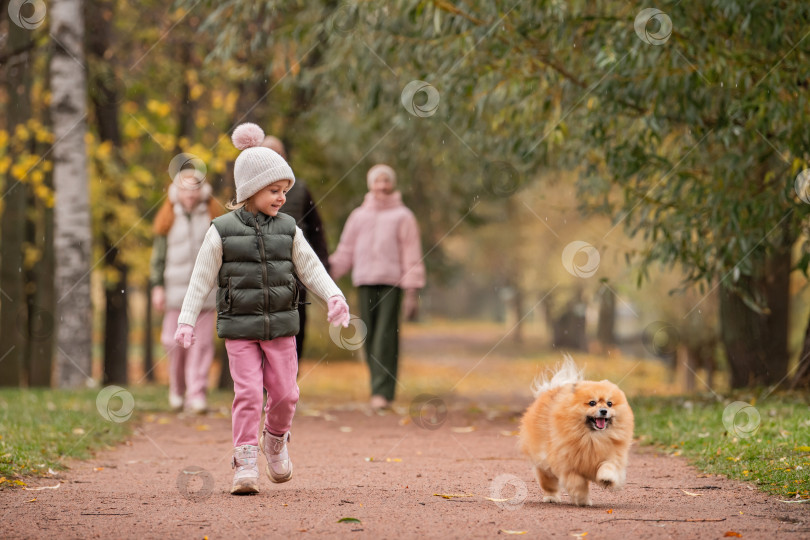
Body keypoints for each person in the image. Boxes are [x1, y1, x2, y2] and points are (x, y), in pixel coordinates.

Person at [173, 122, 351, 495]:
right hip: (240, 328)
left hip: (282, 328)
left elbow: (311, 267)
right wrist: (187, 320)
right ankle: (245, 461)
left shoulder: (288, 228)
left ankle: (275, 439)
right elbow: (200, 278)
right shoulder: (220, 230)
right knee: (250, 394)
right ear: (251, 190)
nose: (282, 197)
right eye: (275, 190)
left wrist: (334, 296)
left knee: (286, 394)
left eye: (284, 190)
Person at [329, 164, 426, 411]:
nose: (382, 186)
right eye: (377, 181)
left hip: (391, 284)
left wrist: (412, 292)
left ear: (392, 184)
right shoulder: (358, 216)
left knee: (385, 337)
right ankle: (378, 387)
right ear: (370, 185)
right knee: (368, 337)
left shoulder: (404, 216)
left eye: (386, 181)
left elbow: (411, 255)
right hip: (364, 282)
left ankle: (382, 392)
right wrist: (325, 275)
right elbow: (345, 251)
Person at [150, 167, 221, 414]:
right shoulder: (167, 216)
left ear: (202, 191)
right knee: (173, 342)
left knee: (200, 346)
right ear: (176, 191)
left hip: (204, 295)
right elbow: (158, 257)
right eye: (185, 189)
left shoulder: (213, 215)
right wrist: (157, 286)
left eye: (194, 189)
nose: (190, 194)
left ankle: (197, 394)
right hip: (175, 293)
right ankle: (176, 390)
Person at [260, 135, 330, 363]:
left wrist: (322, 266)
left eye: (278, 154)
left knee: (296, 326)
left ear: (284, 159)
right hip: (258, 272)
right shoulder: (247, 190)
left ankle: (289, 382)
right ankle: (261, 384)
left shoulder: (300, 189)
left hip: (294, 273)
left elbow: (317, 229)